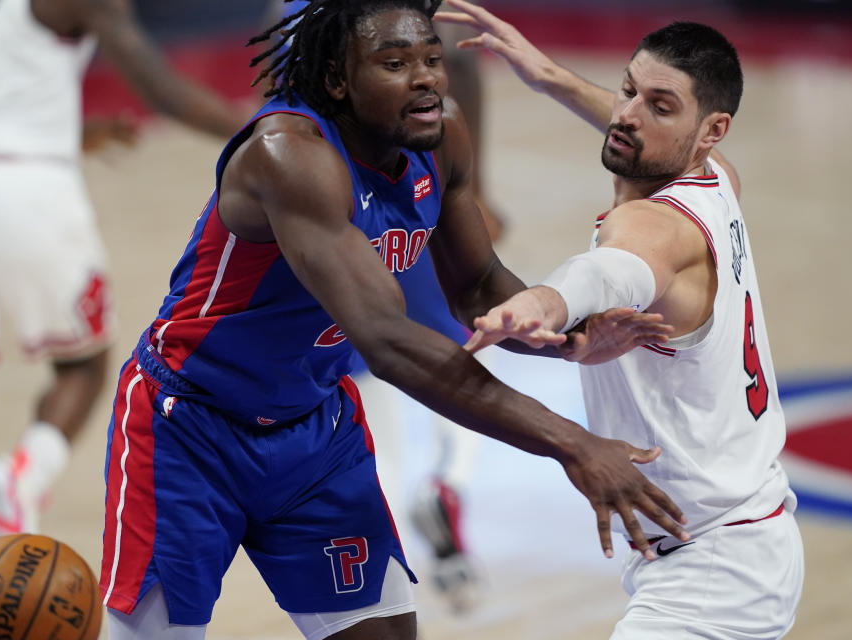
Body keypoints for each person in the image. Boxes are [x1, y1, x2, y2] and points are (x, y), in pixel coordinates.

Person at [98, 2, 691, 639]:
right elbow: (387, 342)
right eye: (394, 63)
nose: (426, 78)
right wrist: (569, 442)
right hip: (188, 427)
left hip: (313, 430)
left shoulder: (441, 136)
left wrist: (569, 338)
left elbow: (477, 288)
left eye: (432, 58)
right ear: (337, 80)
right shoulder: (287, 154)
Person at [437, 1, 804, 636]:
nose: (627, 113)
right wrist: (549, 77)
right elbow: (640, 121)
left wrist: (537, 304)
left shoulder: (650, 227)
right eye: (627, 89)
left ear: (712, 129)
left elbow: (603, 274)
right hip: (748, 539)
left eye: (659, 106)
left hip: (713, 573)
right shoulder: (717, 177)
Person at [0, 0, 247, 636]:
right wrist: (263, 133)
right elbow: (161, 88)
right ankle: (23, 476)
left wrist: (53, 127)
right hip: (28, 193)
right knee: (85, 365)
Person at [259, 0, 492, 612]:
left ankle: (386, 526)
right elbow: (458, 68)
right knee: (447, 336)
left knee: (365, 361)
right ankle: (448, 483)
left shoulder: (294, 17)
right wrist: (473, 184)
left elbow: (272, 94)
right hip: (394, 186)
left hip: (325, 198)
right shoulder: (400, 21)